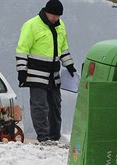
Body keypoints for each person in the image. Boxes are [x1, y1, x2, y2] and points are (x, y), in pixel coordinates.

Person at [16, 0, 76, 143]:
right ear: (46, 12)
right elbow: (22, 49)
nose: (55, 18)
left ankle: (55, 137)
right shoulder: (31, 25)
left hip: (53, 75)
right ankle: (43, 137)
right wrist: (22, 70)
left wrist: (69, 65)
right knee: (40, 106)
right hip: (35, 73)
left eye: (58, 16)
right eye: (53, 15)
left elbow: (64, 49)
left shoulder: (60, 26)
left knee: (55, 105)